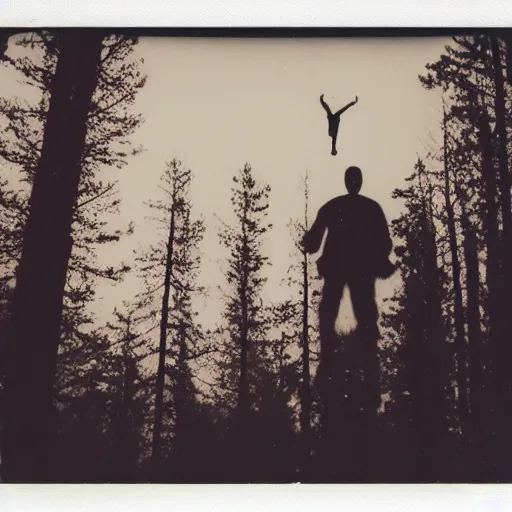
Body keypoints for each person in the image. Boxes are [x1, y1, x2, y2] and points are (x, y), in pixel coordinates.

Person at [303, 166, 394, 412]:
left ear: (347, 182)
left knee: (329, 314)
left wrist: (308, 243)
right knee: (364, 320)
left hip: (338, 266)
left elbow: (312, 241)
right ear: (359, 182)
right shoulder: (371, 208)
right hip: (359, 268)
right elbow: (385, 242)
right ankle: (369, 379)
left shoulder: (333, 206)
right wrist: (377, 258)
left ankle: (328, 362)